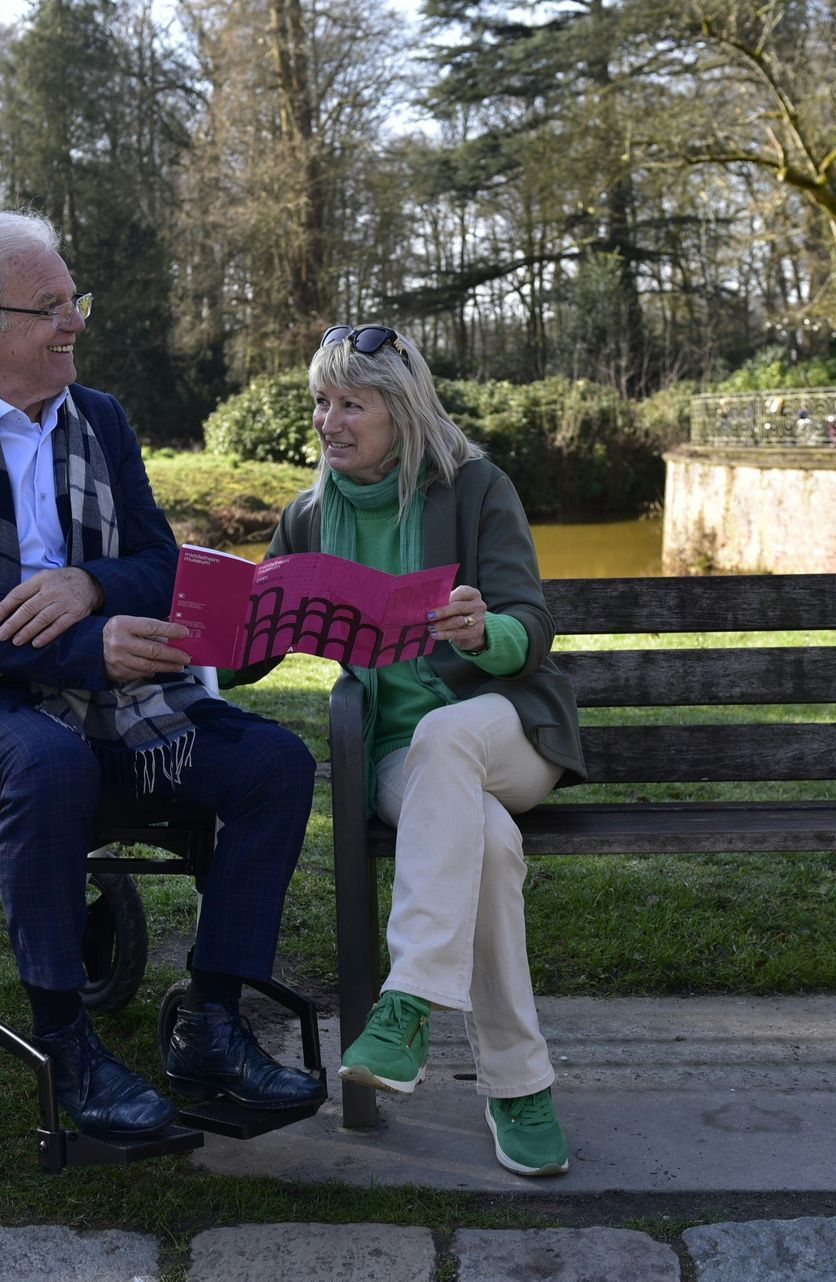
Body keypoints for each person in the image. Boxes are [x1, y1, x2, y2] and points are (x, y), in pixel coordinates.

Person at [0, 210, 321, 1138]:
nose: (75, 323)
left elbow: (158, 560)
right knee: (51, 764)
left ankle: (212, 1024)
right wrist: (84, 648)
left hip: (121, 692)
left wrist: (89, 584)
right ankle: (66, 1044)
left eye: (75, 301)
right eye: (51, 306)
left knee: (276, 765)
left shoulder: (99, 419)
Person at [225, 324, 587, 1176]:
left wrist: (484, 628)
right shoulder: (308, 517)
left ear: (402, 410)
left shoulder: (475, 487)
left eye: (352, 404)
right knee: (486, 843)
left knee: (447, 732)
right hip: (396, 759)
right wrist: (202, 633)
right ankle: (519, 1085)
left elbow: (531, 625)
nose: (329, 421)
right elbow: (247, 652)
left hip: (505, 727)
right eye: (321, 402)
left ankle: (409, 1000)